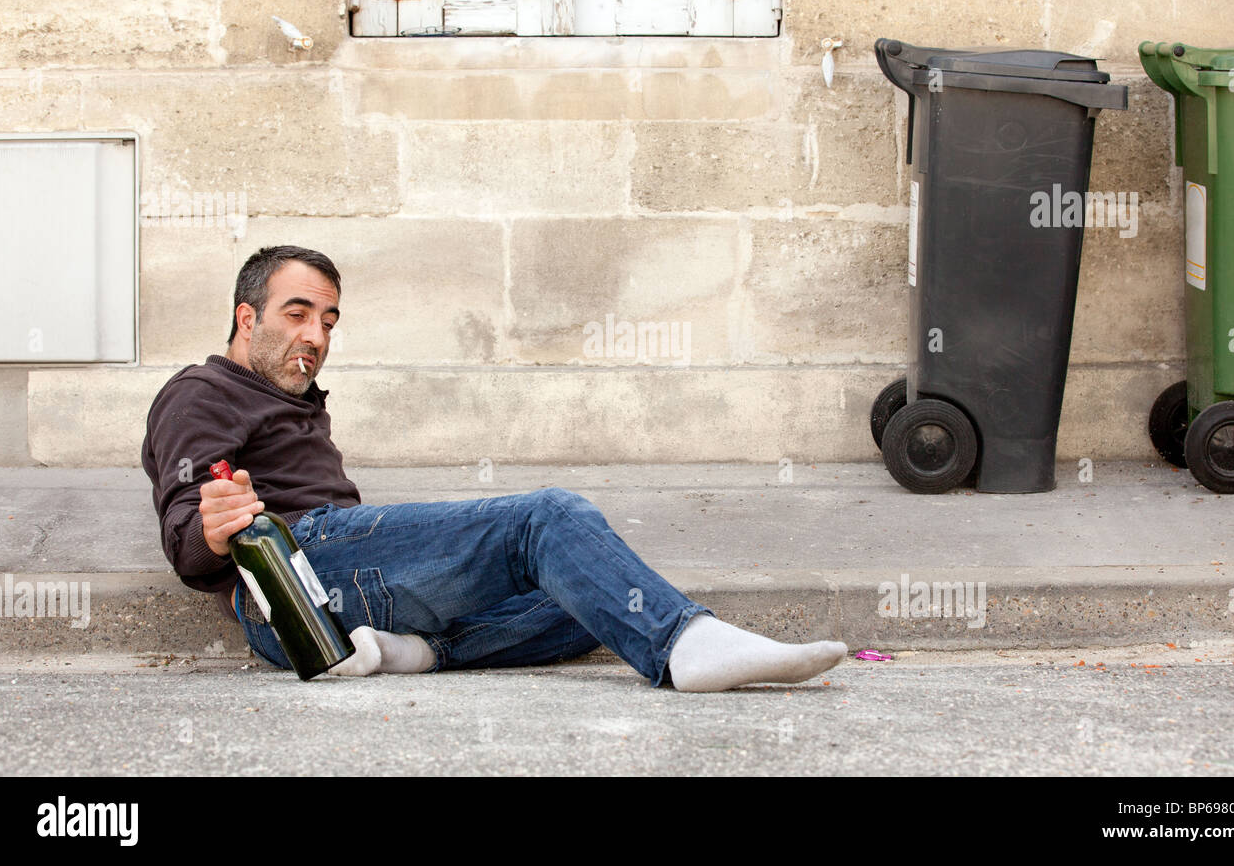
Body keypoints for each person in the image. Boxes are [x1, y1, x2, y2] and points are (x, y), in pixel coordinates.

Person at [142, 245, 847, 691]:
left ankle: (406, 652)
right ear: (245, 317)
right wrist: (208, 527)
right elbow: (185, 526)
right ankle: (685, 649)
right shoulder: (201, 393)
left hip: (336, 602)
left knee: (588, 599)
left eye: (328, 321)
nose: (316, 335)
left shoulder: (285, 399)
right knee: (551, 519)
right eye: (297, 314)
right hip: (292, 591)